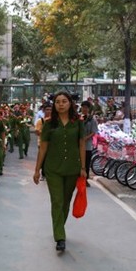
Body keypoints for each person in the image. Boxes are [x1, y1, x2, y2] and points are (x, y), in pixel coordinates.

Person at [33, 91, 86, 253]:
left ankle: (58, 227)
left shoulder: (78, 123)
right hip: (53, 169)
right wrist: (37, 170)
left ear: (70, 103)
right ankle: (60, 237)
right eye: (57, 102)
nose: (61, 104)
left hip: (72, 168)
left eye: (64, 101)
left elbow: (82, 144)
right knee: (57, 201)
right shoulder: (49, 124)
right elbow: (43, 148)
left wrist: (83, 168)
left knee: (65, 202)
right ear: (54, 105)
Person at [80, 101, 98, 187]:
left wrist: (86, 138)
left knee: (86, 164)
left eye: (86, 108)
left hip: (87, 146)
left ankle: (85, 179)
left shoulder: (92, 119)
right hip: (78, 145)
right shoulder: (78, 118)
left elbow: (94, 132)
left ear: (88, 109)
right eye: (83, 107)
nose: (84, 109)